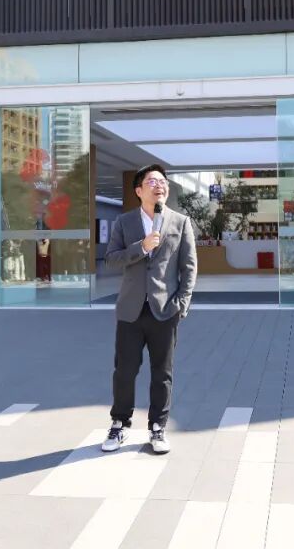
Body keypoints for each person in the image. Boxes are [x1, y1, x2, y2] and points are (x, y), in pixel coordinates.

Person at [101, 164, 197, 454]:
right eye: (152, 181)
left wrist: (181, 304)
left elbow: (189, 267)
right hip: (130, 311)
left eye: (163, 181)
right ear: (138, 190)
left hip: (165, 310)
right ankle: (119, 423)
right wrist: (141, 247)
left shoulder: (180, 222)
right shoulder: (124, 222)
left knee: (162, 373)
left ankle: (158, 427)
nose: (160, 185)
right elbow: (111, 259)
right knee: (124, 371)